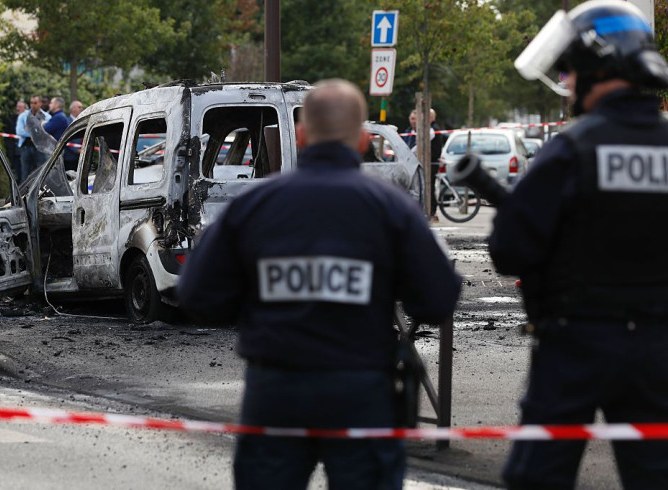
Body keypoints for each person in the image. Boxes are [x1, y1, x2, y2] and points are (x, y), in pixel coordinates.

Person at [177, 79, 461, 490]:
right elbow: (438, 298)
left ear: (301, 135)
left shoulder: (255, 205)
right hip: (361, 389)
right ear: (363, 140)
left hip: (276, 389)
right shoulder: (392, 208)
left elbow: (198, 295)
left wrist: (259, 309)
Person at [489, 2, 668, 488]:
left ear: (595, 66)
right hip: (657, 346)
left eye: (569, 68)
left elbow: (509, 251)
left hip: (574, 344)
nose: (566, 81)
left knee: (539, 476)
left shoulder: (572, 150)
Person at [16, 95, 51, 181]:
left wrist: (29, 129)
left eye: (35, 103)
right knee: (25, 174)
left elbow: (46, 132)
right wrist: (37, 132)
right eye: (31, 103)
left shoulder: (47, 117)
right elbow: (19, 131)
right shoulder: (23, 116)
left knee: (41, 174)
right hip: (26, 147)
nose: (33, 105)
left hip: (41, 148)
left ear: (40, 103)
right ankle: (24, 193)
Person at [4, 100, 27, 182]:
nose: (18, 109)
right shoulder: (12, 119)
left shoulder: (28, 119)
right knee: (15, 174)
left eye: (20, 107)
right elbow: (7, 135)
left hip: (26, 151)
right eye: (17, 107)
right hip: (14, 152)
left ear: (25, 108)